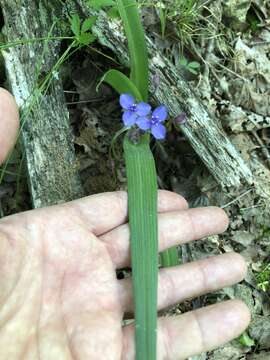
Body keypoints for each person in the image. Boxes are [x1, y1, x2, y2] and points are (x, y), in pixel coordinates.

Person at [0, 88, 250, 359]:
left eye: (152, 119)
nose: (149, 120)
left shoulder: (151, 121)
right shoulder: (139, 117)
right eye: (140, 114)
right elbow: (137, 115)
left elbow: (154, 122)